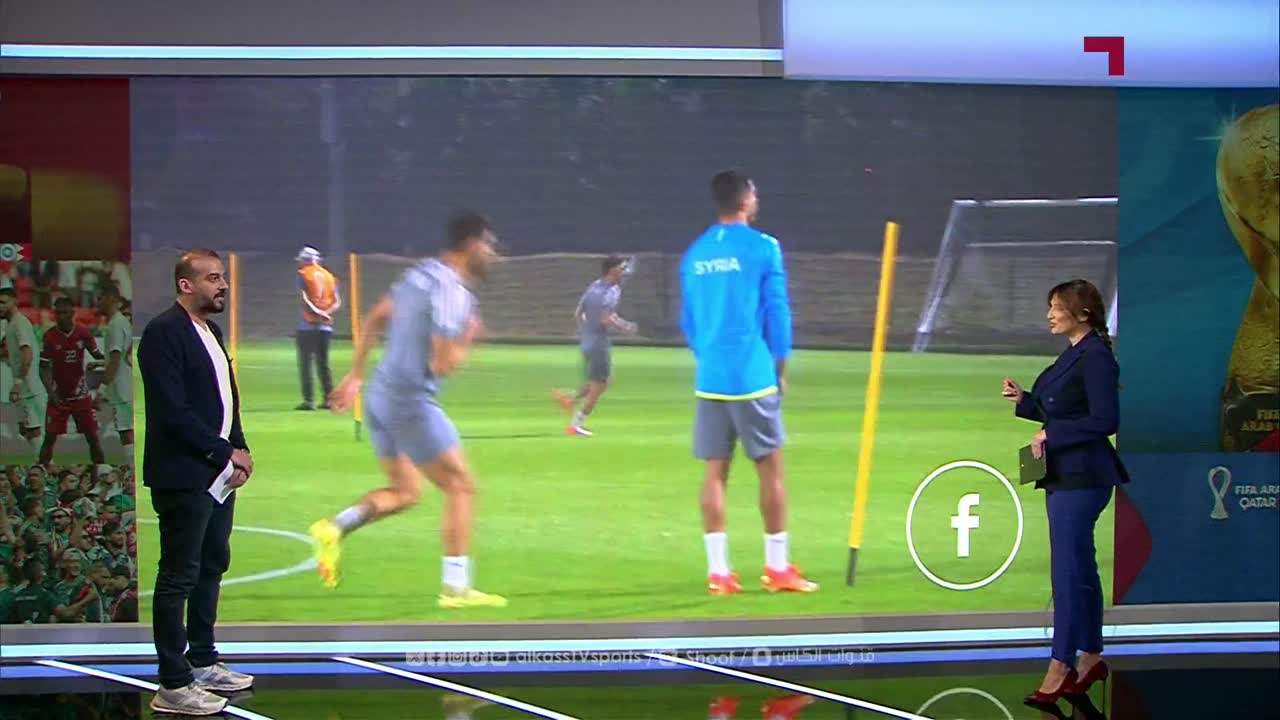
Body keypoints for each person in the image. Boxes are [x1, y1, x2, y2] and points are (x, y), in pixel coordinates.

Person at [312, 211, 507, 609]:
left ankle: (335, 528)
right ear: (472, 244)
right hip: (410, 402)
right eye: (489, 245)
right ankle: (456, 589)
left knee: (405, 492)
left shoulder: (418, 275)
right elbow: (442, 364)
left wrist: (356, 375)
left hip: (380, 396)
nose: (493, 253)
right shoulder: (453, 293)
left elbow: (374, 317)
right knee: (461, 486)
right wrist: (468, 337)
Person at [679, 170, 817, 595]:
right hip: (752, 375)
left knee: (714, 473)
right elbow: (778, 311)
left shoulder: (695, 253)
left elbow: (689, 320)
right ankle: (777, 568)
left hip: (711, 376)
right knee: (770, 471)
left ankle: (719, 573)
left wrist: (708, 357)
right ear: (745, 200)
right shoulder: (763, 248)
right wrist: (781, 368)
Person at [137, 248, 255, 716]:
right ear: (185, 285)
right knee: (179, 575)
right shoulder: (163, 333)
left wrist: (240, 449)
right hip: (183, 475)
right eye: (212, 278)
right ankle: (173, 683)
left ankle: (203, 662)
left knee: (211, 565)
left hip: (217, 476)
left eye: (222, 277)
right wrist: (224, 452)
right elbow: (172, 410)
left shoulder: (212, 331)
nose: (223, 285)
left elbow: (227, 400)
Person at [1002, 278, 1128, 705]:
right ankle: (1090, 656)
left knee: (1068, 574)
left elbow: (1105, 420)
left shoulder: (1096, 358)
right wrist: (1026, 401)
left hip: (1083, 478)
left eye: (1057, 307)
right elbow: (1062, 408)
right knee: (1081, 569)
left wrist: (1051, 434)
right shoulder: (1075, 354)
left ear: (1082, 312)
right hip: (1064, 476)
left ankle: (1061, 663)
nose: (1050, 315)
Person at [553, 254, 637, 436]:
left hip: (587, 341)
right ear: (612, 270)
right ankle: (576, 425)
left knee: (600, 380)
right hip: (599, 343)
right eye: (622, 268)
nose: (624, 272)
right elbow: (606, 318)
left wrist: (586, 329)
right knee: (600, 385)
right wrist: (625, 326)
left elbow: (578, 313)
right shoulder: (612, 291)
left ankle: (569, 398)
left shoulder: (594, 286)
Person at [39, 297, 106, 465]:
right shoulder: (49, 336)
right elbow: (43, 367)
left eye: (64, 313)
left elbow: (99, 356)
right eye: (57, 313)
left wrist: (105, 360)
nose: (60, 317)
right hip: (58, 397)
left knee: (92, 437)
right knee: (49, 438)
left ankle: (101, 469)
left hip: (80, 395)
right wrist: (51, 392)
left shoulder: (83, 333)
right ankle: (43, 469)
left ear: (72, 313)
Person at [1, 287, 46, 458]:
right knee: (26, 430)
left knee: (34, 431)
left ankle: (44, 464)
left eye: (3, 302)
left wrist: (18, 383)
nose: (0, 306)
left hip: (29, 388)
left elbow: (27, 353)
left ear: (14, 302)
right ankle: (42, 460)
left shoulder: (20, 323)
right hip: (24, 388)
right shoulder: (10, 325)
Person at [294, 246, 341, 411]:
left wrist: (317, 312)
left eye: (301, 260)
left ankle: (309, 400)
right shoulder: (329, 276)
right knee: (323, 363)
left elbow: (303, 298)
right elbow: (337, 301)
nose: (300, 263)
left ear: (306, 260)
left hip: (307, 325)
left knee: (305, 363)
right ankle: (328, 399)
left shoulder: (303, 274)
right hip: (325, 327)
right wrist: (326, 313)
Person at [99, 290, 134, 466]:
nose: (98, 303)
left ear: (111, 299)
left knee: (126, 431)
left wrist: (102, 389)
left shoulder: (115, 325)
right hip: (126, 384)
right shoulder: (121, 323)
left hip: (121, 387)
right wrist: (99, 363)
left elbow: (115, 358)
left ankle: (132, 468)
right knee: (127, 429)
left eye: (101, 298)